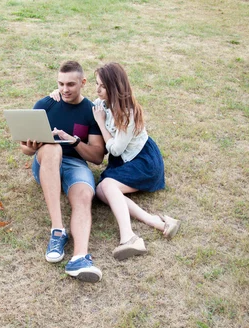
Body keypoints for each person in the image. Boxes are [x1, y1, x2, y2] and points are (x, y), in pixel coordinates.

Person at [50, 62, 180, 261]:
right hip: (123, 161)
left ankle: (129, 237)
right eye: (97, 84)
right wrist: (58, 94)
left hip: (141, 161)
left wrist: (101, 123)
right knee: (102, 191)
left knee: (108, 185)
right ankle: (159, 222)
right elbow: (82, 103)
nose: (97, 89)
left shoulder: (128, 113)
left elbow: (115, 149)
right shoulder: (101, 104)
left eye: (102, 86)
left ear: (114, 88)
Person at [20, 61, 106, 283]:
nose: (65, 89)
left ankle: (79, 258)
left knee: (85, 194)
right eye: (60, 84)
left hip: (76, 164)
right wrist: (31, 145)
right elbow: (24, 150)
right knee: (53, 147)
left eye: (70, 84)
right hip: (46, 160)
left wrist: (74, 141)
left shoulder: (90, 111)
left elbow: (97, 157)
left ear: (83, 83)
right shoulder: (45, 104)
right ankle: (57, 231)